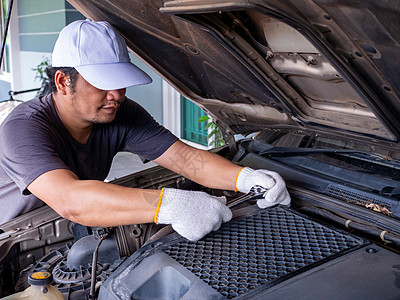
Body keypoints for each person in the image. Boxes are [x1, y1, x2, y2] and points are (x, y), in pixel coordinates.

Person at [0, 20, 290, 241]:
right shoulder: (24, 127)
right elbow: (70, 200)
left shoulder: (119, 113)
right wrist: (170, 205)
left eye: (121, 81)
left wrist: (247, 179)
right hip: (13, 242)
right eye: (103, 83)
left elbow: (186, 160)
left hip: (71, 229)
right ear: (63, 82)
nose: (117, 94)